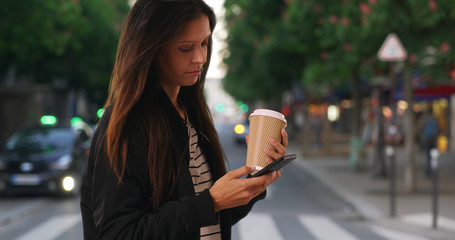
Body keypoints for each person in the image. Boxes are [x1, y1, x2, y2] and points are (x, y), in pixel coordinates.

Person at [80, 0, 288, 239]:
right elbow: (119, 234)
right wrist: (210, 202)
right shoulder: (128, 124)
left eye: (204, 43)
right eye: (186, 47)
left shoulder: (191, 113)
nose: (200, 57)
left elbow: (209, 223)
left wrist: (254, 183)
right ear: (152, 48)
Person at [417, 106, 440, 177]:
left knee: (427, 156)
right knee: (433, 156)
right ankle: (433, 170)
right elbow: (438, 129)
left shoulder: (424, 119)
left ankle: (428, 171)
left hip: (426, 139)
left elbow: (419, 128)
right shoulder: (434, 119)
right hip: (433, 139)